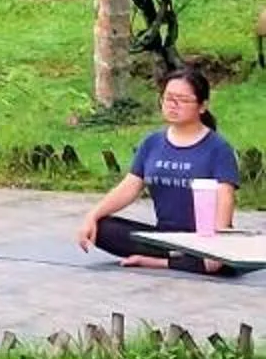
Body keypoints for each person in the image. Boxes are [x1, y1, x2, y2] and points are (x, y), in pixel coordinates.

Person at [75, 68, 244, 274]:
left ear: (202, 106)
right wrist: (92, 215)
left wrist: (217, 244)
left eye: (182, 100)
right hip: (164, 238)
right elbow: (129, 187)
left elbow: (225, 198)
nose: (173, 105)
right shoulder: (152, 142)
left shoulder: (218, 148)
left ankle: (162, 261)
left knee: (217, 261)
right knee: (102, 229)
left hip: (203, 240)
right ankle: (177, 258)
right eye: (168, 98)